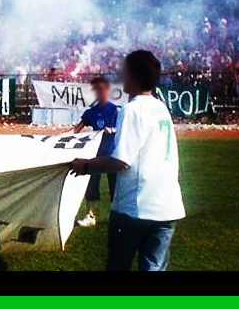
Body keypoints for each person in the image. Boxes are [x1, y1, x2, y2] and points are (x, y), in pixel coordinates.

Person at [70, 50, 185, 271]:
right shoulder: (161, 108)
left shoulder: (132, 109)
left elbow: (121, 161)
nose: (120, 76)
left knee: (118, 265)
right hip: (167, 206)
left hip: (137, 207)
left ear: (135, 77)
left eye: (124, 71)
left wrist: (85, 166)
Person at [72, 76, 120, 227]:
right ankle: (90, 215)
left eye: (102, 89)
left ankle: (115, 215)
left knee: (115, 186)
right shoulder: (91, 112)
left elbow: (123, 128)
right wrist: (71, 136)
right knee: (92, 185)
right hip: (95, 155)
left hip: (112, 154)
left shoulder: (115, 110)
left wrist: (111, 130)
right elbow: (77, 128)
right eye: (97, 90)